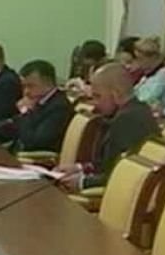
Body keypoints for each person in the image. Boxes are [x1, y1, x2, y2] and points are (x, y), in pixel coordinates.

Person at [56, 63, 158, 191]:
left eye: (97, 96)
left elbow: (118, 175)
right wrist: (79, 168)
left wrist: (82, 182)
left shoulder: (127, 120)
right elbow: (108, 163)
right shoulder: (137, 110)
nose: (95, 104)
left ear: (116, 94)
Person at [8, 60, 74, 152]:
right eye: (23, 86)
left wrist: (25, 111)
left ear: (48, 84)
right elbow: (13, 126)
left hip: (38, 157)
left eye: (30, 86)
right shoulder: (38, 101)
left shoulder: (60, 107)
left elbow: (34, 142)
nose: (26, 91)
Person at [132, 36, 165, 108]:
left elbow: (146, 100)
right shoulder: (146, 76)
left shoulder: (162, 75)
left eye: (140, 58)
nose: (137, 61)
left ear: (153, 57)